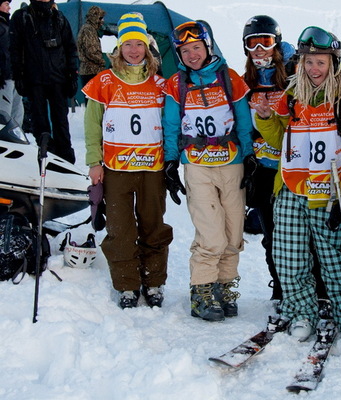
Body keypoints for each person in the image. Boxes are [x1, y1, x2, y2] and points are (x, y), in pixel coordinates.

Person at [254, 26, 341, 343]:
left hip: (327, 192)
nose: (314, 68)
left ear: (333, 62)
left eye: (320, 62)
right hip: (290, 187)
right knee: (290, 257)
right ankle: (301, 312)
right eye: (308, 62)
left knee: (333, 259)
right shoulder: (292, 96)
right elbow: (280, 140)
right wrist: (264, 118)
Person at [162, 20, 254, 322]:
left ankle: (225, 286)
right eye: (185, 50)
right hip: (197, 164)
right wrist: (171, 162)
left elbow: (242, 119)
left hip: (231, 162)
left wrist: (249, 156)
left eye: (196, 48)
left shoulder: (230, 78)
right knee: (211, 233)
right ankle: (201, 289)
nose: (192, 55)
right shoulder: (176, 83)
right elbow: (172, 124)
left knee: (233, 232)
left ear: (208, 47)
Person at [82, 12, 173, 309]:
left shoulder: (160, 84)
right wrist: (94, 161)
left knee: (152, 225)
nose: (133, 50)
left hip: (152, 168)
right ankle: (127, 284)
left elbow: (170, 124)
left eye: (139, 44)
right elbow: (92, 124)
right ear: (118, 47)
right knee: (120, 228)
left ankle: (154, 280)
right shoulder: (103, 81)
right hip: (116, 168)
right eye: (127, 44)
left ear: (147, 47)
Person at [242, 15, 327, 304]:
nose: (259, 50)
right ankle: (282, 291)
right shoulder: (248, 83)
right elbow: (244, 127)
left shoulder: (296, 72)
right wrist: (247, 161)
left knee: (306, 238)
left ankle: (319, 292)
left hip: (296, 169)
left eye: (265, 41)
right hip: (264, 170)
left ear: (276, 42)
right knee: (273, 238)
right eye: (252, 43)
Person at [9, 0, 78, 163]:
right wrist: (18, 75)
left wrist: (72, 75)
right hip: (34, 80)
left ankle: (66, 160)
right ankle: (46, 155)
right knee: (40, 123)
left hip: (58, 80)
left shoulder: (59, 18)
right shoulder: (21, 17)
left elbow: (70, 48)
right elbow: (15, 48)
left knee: (61, 122)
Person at [0, 0, 23, 126]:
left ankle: (15, 141)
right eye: (6, 4)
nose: (9, 7)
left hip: (14, 75)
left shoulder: (8, 25)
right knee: (4, 114)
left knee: (17, 112)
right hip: (4, 79)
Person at [77, 5, 106, 89]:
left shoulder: (90, 29)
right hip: (91, 72)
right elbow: (90, 51)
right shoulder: (88, 30)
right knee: (92, 100)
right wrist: (102, 62)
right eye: (100, 18)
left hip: (90, 71)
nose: (102, 21)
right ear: (95, 18)